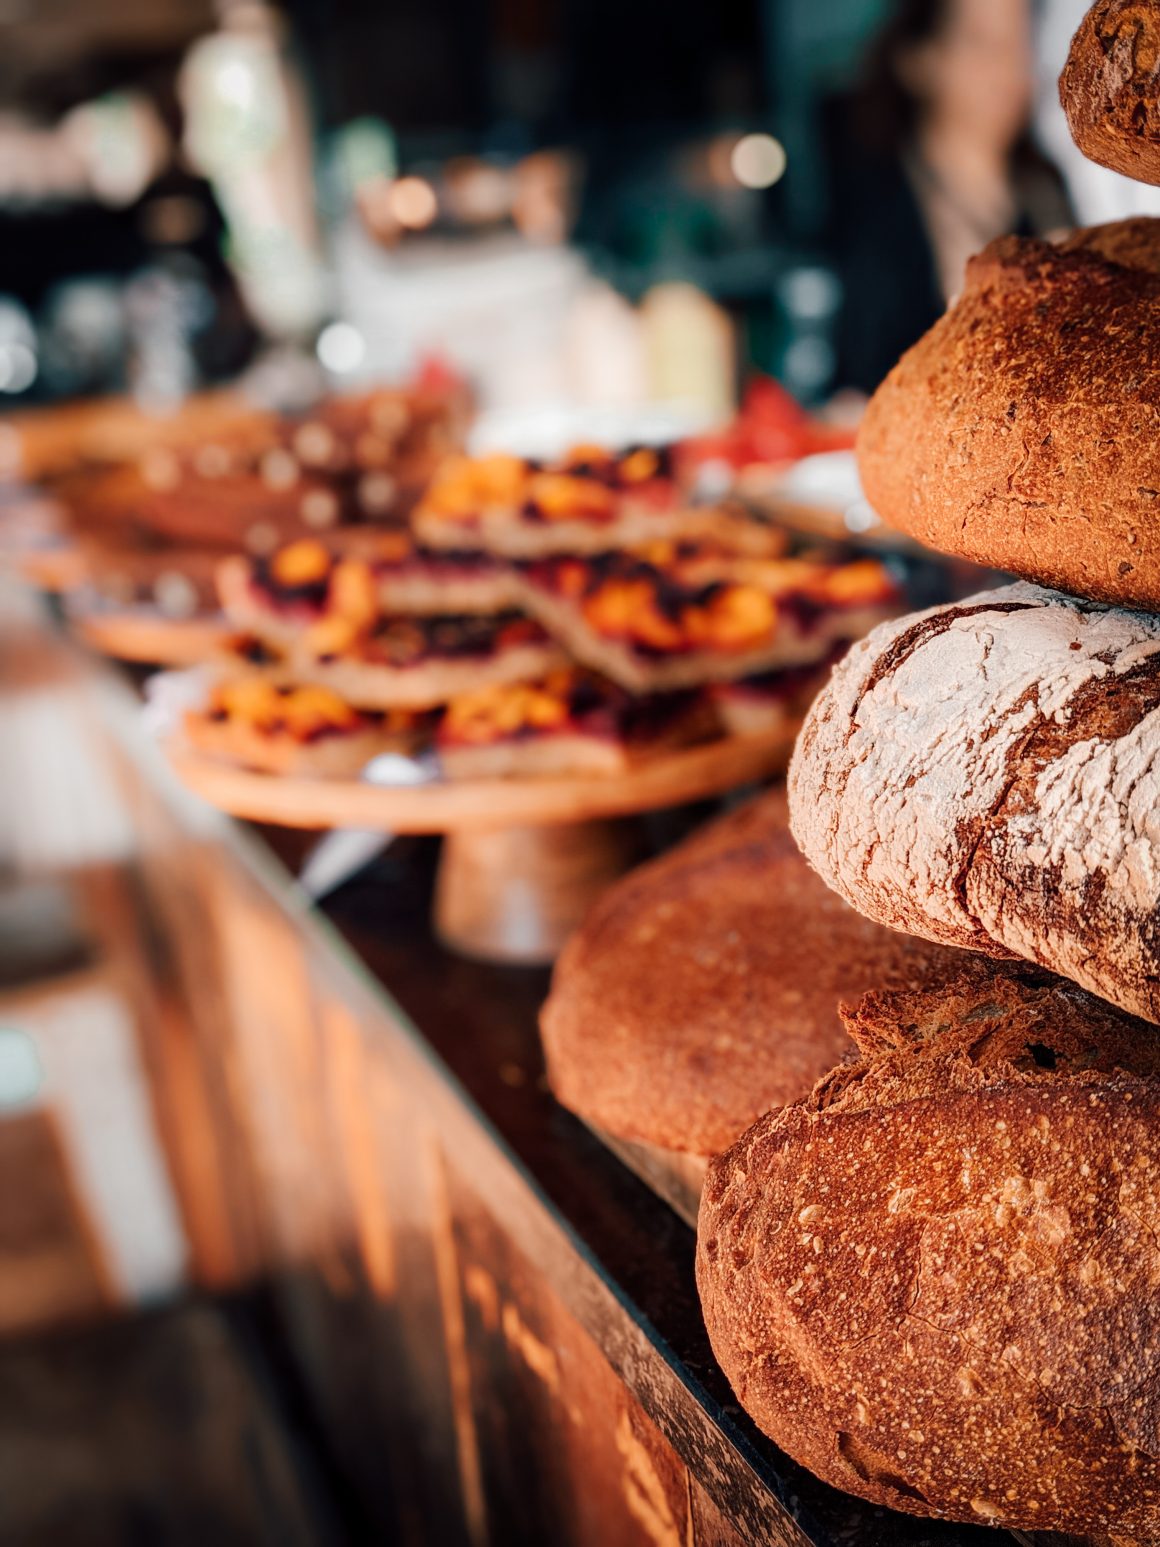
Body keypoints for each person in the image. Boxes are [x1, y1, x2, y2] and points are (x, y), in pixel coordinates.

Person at [827, 0, 1071, 395]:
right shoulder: (876, 203)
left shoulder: (1048, 190)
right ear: (921, 59)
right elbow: (855, 378)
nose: (1010, 67)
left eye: (1021, 43)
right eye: (981, 43)